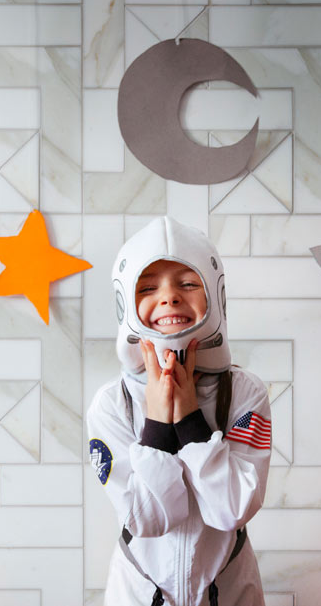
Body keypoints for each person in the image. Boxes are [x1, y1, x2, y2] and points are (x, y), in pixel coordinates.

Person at [87, 216, 271, 606]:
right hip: (138, 592)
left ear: (216, 294)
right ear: (125, 302)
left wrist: (190, 420)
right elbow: (147, 518)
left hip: (229, 590)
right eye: (149, 287)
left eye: (188, 283)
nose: (169, 297)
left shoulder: (243, 393)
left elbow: (233, 509)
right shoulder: (111, 404)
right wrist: (156, 422)